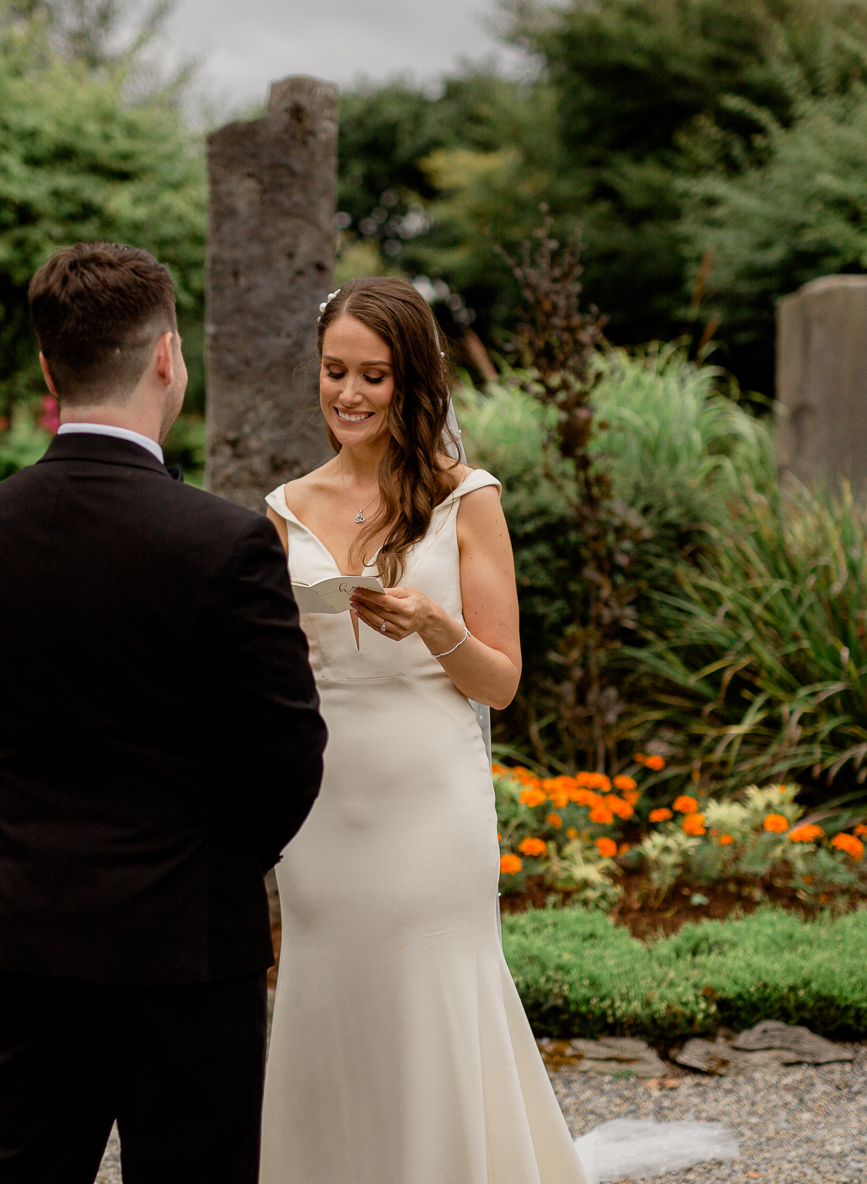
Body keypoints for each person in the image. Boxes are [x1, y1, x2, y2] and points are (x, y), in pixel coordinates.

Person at [0, 242, 327, 1184]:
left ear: (47, 369)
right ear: (167, 359)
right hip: (188, 941)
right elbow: (289, 755)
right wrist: (209, 857)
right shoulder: (223, 541)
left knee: (25, 1167)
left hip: (33, 925)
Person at [258, 276, 589, 1184]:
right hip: (324, 804)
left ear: (413, 383)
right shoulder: (286, 507)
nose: (351, 395)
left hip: (430, 799)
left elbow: (505, 681)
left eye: (375, 375)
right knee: (330, 996)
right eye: (335, 372)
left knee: (427, 992)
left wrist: (439, 628)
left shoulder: (465, 496)